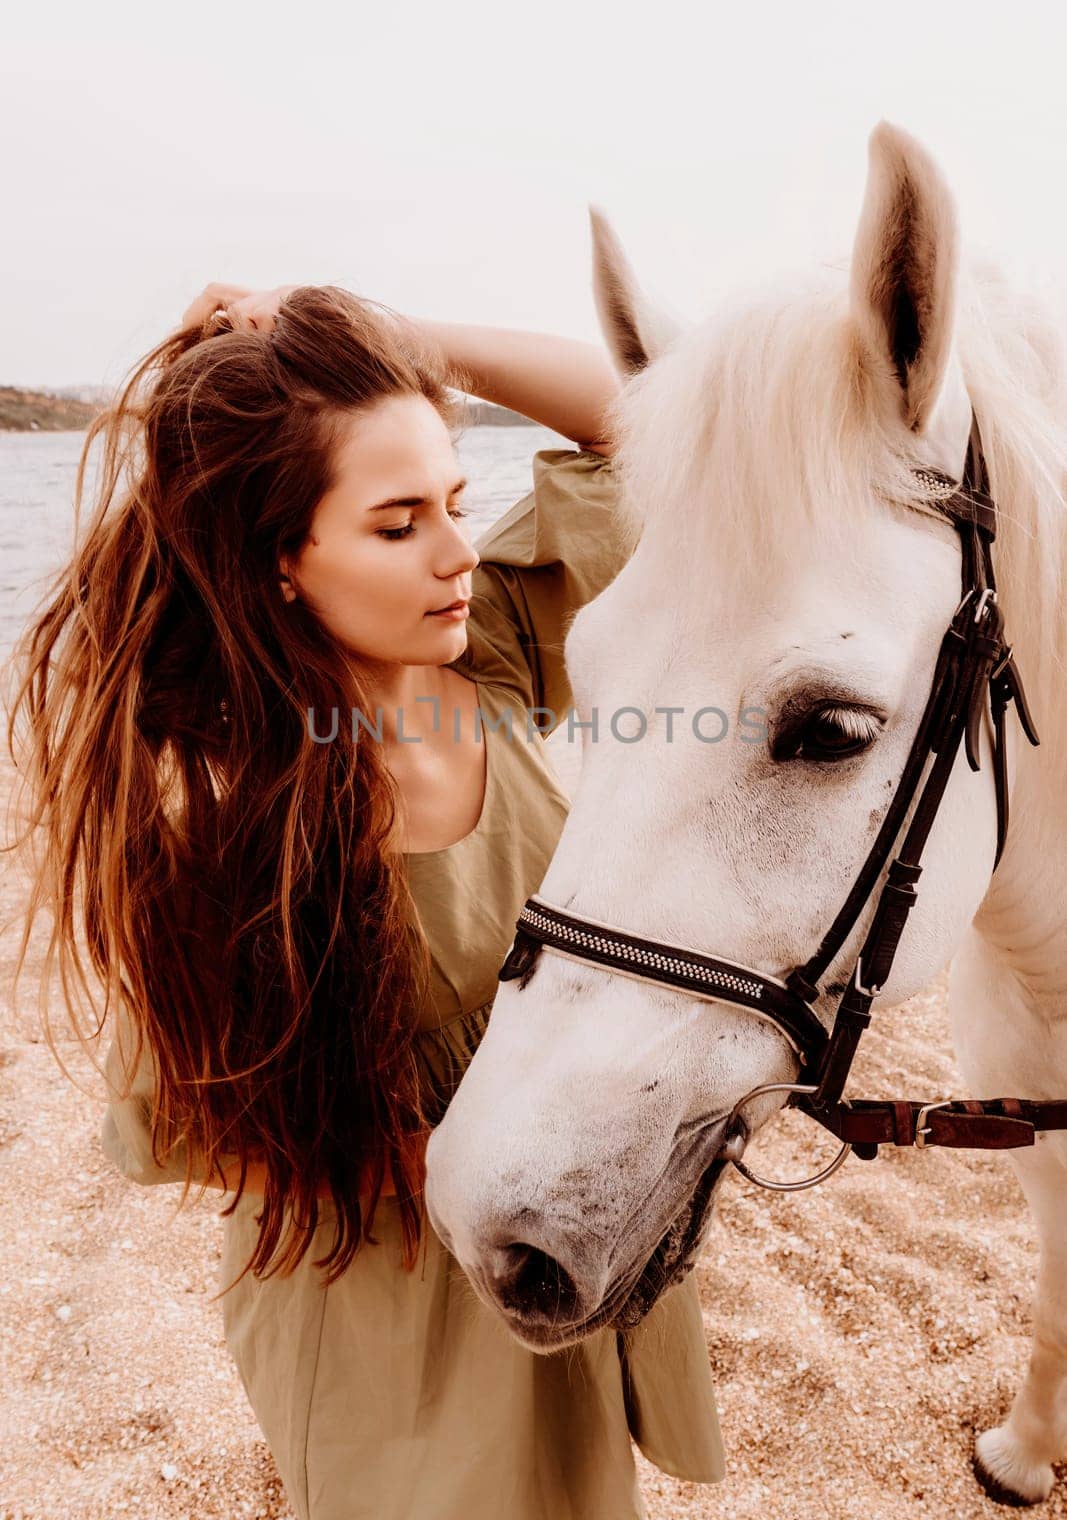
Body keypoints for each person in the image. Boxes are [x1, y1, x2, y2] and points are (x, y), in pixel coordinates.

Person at [7, 281, 726, 1520]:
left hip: (555, 1233)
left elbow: (648, 427)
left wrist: (407, 338)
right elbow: (191, 1124)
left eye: (454, 502)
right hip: (391, 1300)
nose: (453, 550)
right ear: (277, 558)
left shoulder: (487, 651)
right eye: (397, 524)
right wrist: (485, 1143)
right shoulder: (225, 808)